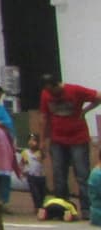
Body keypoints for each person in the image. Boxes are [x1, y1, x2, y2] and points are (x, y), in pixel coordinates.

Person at [37, 77, 101, 213]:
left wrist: (85, 111)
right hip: (57, 139)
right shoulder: (46, 94)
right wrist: (42, 140)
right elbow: (43, 117)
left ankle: (87, 208)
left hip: (78, 138)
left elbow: (98, 96)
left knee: (82, 174)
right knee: (59, 174)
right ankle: (62, 207)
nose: (51, 94)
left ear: (57, 85)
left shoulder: (75, 90)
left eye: (52, 90)